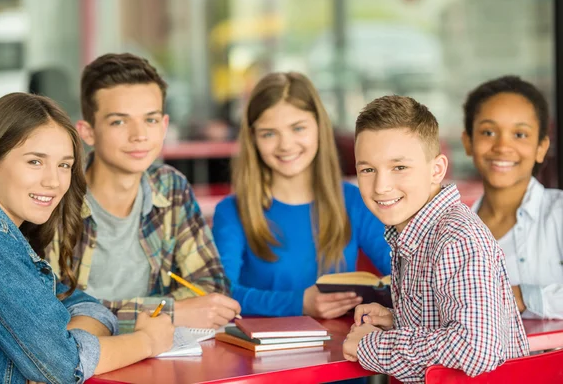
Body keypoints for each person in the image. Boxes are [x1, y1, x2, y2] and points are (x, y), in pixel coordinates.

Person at [0, 93, 174, 383]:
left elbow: (88, 307)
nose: (53, 181)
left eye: (64, 165)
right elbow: (63, 365)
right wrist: (147, 341)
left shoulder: (9, 235)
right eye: (35, 161)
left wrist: (66, 345)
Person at [46, 53, 240, 332]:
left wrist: (115, 313)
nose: (139, 135)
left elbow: (212, 288)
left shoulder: (171, 187)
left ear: (163, 126)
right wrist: (170, 312)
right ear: (87, 132)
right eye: (119, 122)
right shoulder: (56, 194)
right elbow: (51, 308)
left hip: (159, 358)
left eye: (150, 120)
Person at [342, 95, 529, 382]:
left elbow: (476, 348)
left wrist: (373, 345)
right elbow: (448, 323)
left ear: (437, 170)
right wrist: (398, 321)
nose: (381, 186)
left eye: (399, 167)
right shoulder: (415, 233)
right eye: (368, 169)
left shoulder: (456, 238)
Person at [212, 72, 391, 318]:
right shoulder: (232, 211)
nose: (285, 144)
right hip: (260, 352)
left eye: (298, 128)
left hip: (341, 348)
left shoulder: (354, 200)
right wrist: (297, 303)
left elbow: (401, 272)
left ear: (319, 126)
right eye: (268, 133)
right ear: (253, 138)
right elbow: (220, 293)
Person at [462, 75, 563, 319]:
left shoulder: (559, 213)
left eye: (520, 135)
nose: (502, 146)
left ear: (541, 148)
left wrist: (522, 297)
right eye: (488, 132)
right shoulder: (458, 231)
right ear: (468, 142)